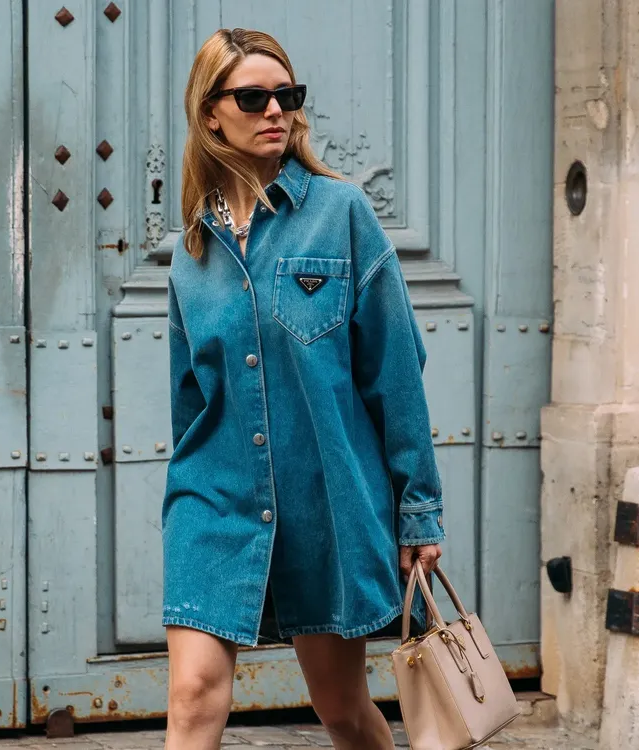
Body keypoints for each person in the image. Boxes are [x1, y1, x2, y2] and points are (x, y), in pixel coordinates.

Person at [162, 28, 445, 750]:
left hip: (324, 500)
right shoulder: (192, 249)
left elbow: (394, 373)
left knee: (342, 708)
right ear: (210, 114)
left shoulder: (340, 213)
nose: (275, 111)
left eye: (287, 96)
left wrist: (418, 512)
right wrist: (186, 502)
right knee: (192, 696)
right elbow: (191, 403)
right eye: (253, 98)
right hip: (215, 498)